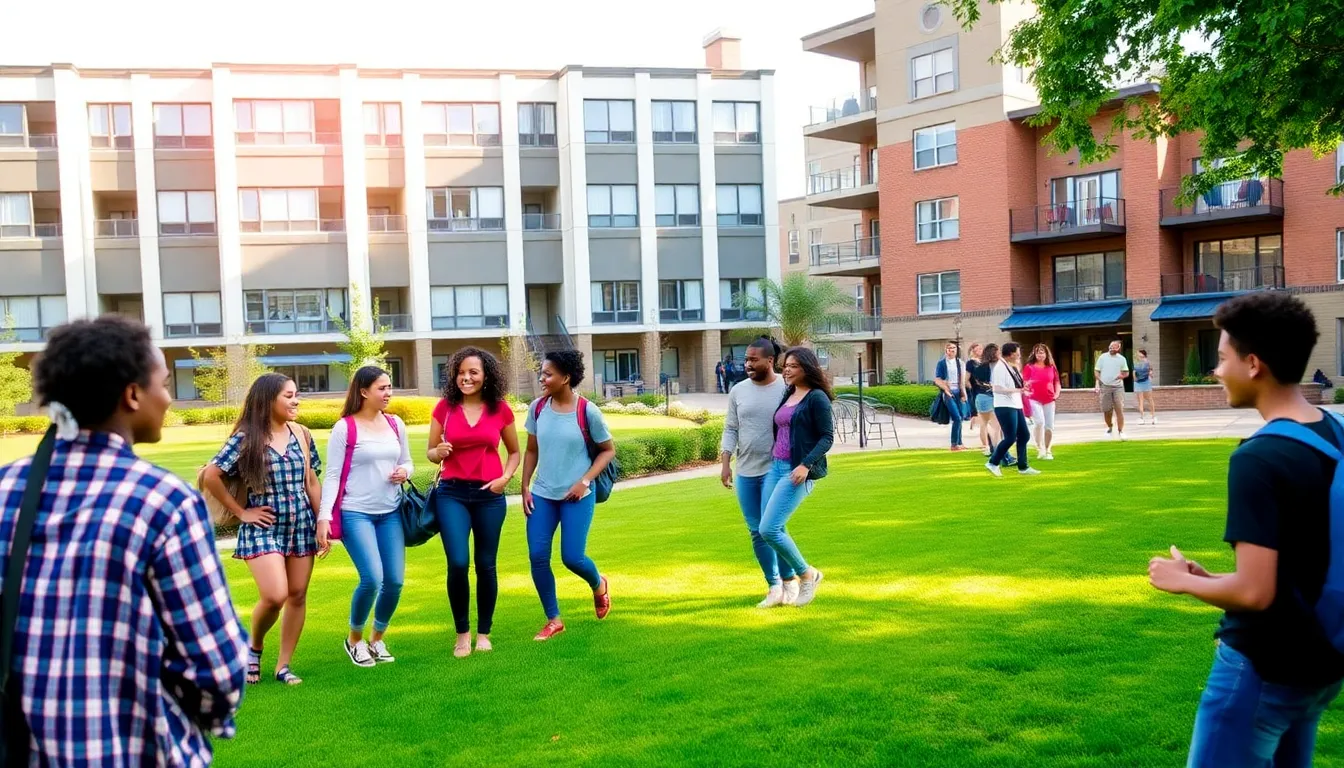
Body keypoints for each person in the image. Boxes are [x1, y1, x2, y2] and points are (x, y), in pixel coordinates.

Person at [0, 316, 248, 764]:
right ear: (132, 395)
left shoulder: (5, 490)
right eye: (164, 383)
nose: (169, 399)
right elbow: (216, 663)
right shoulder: (163, 501)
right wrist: (200, 720)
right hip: (128, 747)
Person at [1148, 292, 1344, 766]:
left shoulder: (1258, 457)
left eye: (1221, 358)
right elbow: (1304, 562)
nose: (1216, 371)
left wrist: (1183, 583)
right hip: (1319, 663)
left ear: (1253, 364)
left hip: (1261, 667)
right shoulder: (1334, 432)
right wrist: (1210, 578)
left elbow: (1256, 592)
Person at [202, 372, 322, 686]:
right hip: (263, 524)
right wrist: (243, 512)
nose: (295, 400)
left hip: (301, 522)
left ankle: (283, 666)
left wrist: (323, 522)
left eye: (296, 394)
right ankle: (253, 647)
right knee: (275, 595)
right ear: (268, 399)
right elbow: (211, 475)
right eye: (288, 395)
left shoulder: (302, 434)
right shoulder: (246, 437)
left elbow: (311, 480)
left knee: (297, 595)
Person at [428, 347, 521, 658]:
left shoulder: (500, 410)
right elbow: (431, 451)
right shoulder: (444, 408)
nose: (465, 378)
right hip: (452, 493)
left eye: (473, 373)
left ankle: (484, 632)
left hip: (489, 495)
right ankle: (462, 633)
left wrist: (506, 478)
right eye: (461, 372)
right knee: (457, 562)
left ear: (486, 377)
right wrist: (437, 452)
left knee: (486, 564)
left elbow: (515, 452)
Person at [319, 366, 413, 668]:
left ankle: (377, 638)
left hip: (391, 513)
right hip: (355, 512)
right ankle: (354, 639)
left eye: (389, 387)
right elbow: (332, 475)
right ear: (363, 392)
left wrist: (405, 472)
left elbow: (407, 460)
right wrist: (323, 518)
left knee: (395, 581)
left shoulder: (396, 424)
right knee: (372, 578)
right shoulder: (345, 428)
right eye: (382, 388)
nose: (388, 393)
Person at [522, 350, 617, 641]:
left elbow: (608, 450)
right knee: (538, 556)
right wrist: (525, 486)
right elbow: (532, 449)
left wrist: (584, 481)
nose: (542, 377)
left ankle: (599, 584)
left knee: (572, 557)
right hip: (542, 495)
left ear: (565, 378)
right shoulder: (538, 408)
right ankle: (553, 619)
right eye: (542, 372)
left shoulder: (587, 411)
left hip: (577, 495)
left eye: (548, 373)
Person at [720, 336, 793, 607]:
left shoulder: (786, 389)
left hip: (777, 468)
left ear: (770, 361)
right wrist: (726, 462)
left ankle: (789, 582)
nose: (747, 364)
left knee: (772, 527)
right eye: (746, 359)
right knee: (756, 530)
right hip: (746, 470)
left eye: (753, 359)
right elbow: (731, 428)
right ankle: (773, 586)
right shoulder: (738, 390)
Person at [760, 347, 834, 608]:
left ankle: (807, 575)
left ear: (807, 368)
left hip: (796, 472)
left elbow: (827, 437)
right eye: (785, 365)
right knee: (771, 527)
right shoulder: (789, 393)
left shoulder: (817, 398)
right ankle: (790, 582)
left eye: (792, 366)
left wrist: (805, 465)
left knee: (768, 529)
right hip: (776, 468)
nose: (786, 370)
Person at [987, 342, 1040, 478]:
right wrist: (1018, 390)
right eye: (1017, 353)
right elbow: (997, 388)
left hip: (1015, 405)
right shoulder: (1000, 367)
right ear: (1010, 354)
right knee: (1010, 437)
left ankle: (1023, 466)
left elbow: (1016, 385)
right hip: (1004, 406)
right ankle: (993, 462)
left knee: (1024, 435)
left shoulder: (1011, 367)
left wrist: (1024, 387)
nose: (1019, 355)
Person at [1023, 343, 1061, 460]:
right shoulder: (1029, 367)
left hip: (1049, 399)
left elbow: (1057, 382)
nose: (1040, 355)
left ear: (1046, 354)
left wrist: (1056, 394)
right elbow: (1024, 383)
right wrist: (1026, 392)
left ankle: (1048, 449)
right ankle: (1039, 448)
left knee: (1049, 426)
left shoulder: (1051, 367)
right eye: (1038, 352)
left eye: (1042, 352)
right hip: (1034, 399)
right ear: (1034, 354)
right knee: (1039, 422)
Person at [968, 343, 1003, 457]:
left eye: (981, 349)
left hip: (983, 396)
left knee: (986, 423)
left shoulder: (982, 366)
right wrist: (974, 389)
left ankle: (990, 448)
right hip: (985, 395)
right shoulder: (978, 365)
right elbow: (966, 380)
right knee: (994, 425)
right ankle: (993, 448)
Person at [934, 341, 967, 452]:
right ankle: (954, 444)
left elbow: (962, 381)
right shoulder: (942, 363)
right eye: (949, 348)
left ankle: (960, 443)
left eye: (954, 348)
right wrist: (945, 389)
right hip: (948, 393)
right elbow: (937, 379)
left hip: (958, 391)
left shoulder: (960, 363)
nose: (952, 350)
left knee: (961, 417)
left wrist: (963, 394)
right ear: (946, 350)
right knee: (956, 418)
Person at [1095, 340, 1130, 440]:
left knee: (1119, 409)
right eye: (1110, 346)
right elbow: (1097, 371)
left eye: (1114, 347)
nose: (1111, 348)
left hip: (1118, 387)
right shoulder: (1102, 357)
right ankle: (1110, 427)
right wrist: (1099, 380)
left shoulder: (1122, 359)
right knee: (1107, 410)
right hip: (1105, 386)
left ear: (1118, 348)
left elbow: (1126, 373)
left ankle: (1121, 431)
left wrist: (1122, 376)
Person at [1134, 349, 1157, 425]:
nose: (1137, 355)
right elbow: (1134, 373)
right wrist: (1135, 379)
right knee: (1141, 400)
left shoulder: (1147, 362)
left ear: (1142, 354)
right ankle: (1142, 418)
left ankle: (1153, 417)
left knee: (1149, 399)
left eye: (1138, 353)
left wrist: (1150, 375)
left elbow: (1150, 372)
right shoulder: (1136, 362)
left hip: (1146, 382)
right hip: (1138, 383)